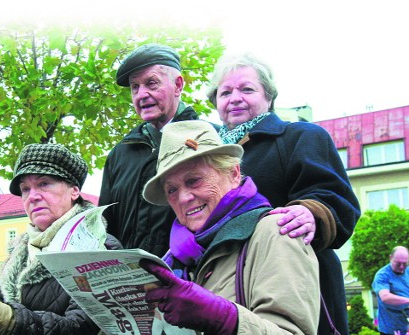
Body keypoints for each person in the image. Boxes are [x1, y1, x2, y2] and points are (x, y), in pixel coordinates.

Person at [205, 52, 361, 334]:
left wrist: (312, 212)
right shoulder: (208, 158)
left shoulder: (301, 136)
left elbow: (337, 199)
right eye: (225, 92)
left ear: (269, 97)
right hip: (227, 289)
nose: (235, 98)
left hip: (295, 285)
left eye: (247, 89)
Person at [138, 120, 320, 334]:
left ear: (233, 174)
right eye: (172, 190)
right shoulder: (173, 256)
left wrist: (224, 318)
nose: (184, 197)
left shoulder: (277, 231)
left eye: (194, 180)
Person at [0, 143, 122, 335]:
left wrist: (11, 321)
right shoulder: (20, 254)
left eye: (44, 184)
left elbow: (81, 327)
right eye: (25, 189)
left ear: (74, 191)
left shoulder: (99, 247)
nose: (32, 197)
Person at [99, 43, 217, 257]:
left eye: (151, 83)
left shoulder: (209, 140)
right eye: (135, 87)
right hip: (130, 283)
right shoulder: (120, 153)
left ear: (178, 85)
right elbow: (104, 225)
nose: (141, 94)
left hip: (191, 280)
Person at [372, 246, 409, 335]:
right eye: (398, 263)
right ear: (390, 258)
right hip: (390, 328)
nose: (401, 267)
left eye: (405, 263)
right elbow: (385, 297)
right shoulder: (382, 275)